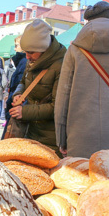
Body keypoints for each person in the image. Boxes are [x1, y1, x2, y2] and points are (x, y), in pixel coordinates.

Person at [55, 1, 109, 162]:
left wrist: (61, 137)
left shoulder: (75, 50)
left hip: (80, 134)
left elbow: (63, 98)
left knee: (82, 183)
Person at [9, 19, 66, 152]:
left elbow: (57, 107)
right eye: (26, 52)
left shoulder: (61, 65)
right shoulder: (32, 61)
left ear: (44, 49)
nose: (27, 57)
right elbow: (23, 82)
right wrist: (18, 94)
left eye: (31, 52)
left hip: (51, 139)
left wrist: (24, 112)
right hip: (31, 132)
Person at [4, 36, 27, 123]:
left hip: (16, 106)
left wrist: (11, 100)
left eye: (16, 45)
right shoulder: (22, 62)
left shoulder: (23, 62)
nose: (14, 48)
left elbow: (19, 84)